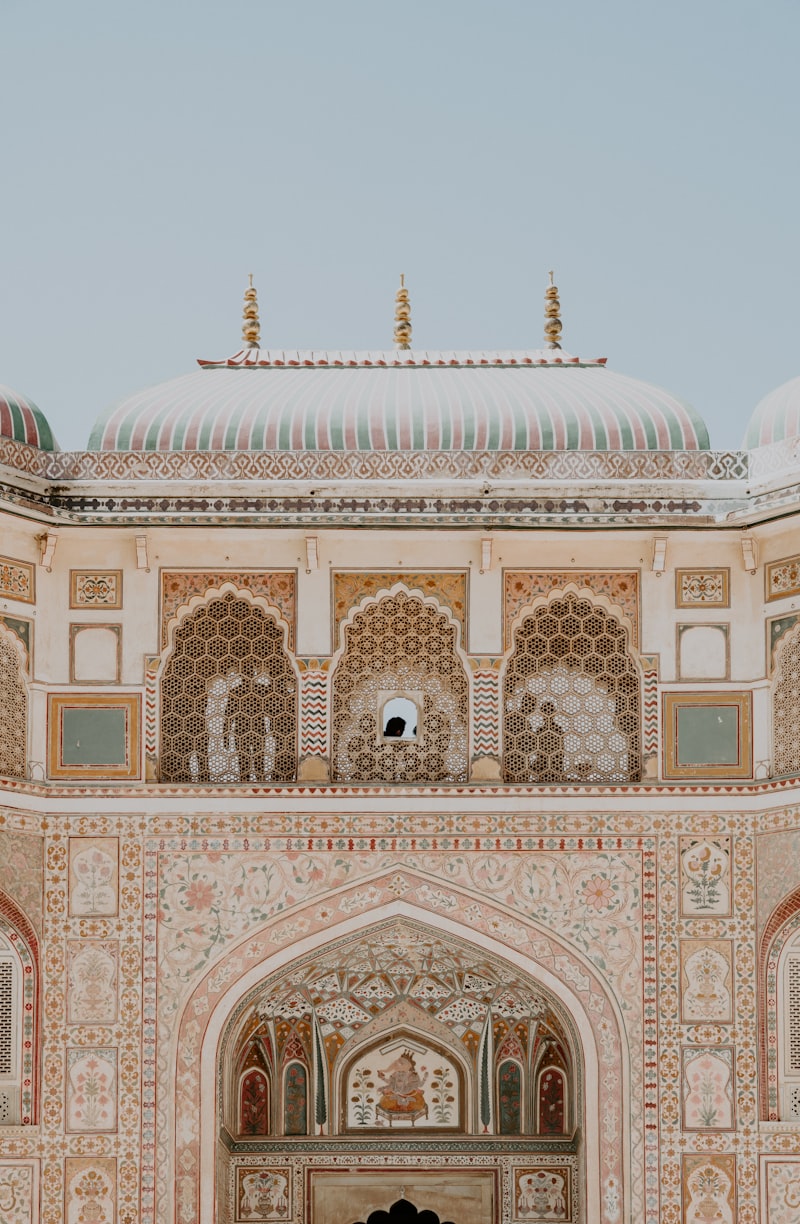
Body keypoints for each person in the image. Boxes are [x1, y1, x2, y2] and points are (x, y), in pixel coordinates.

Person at [223, 665, 270, 782]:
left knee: (254, 760)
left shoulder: (239, 691)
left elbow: (228, 715)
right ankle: (254, 784)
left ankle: (254, 783)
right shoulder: (259, 689)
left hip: (249, 730)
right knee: (250, 761)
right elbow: (229, 714)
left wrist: (226, 736)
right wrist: (225, 736)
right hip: (248, 730)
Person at [532, 700, 565, 782]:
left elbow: (561, 750)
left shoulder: (557, 729)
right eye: (545, 711)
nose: (547, 714)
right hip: (545, 764)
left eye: (549, 711)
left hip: (554, 763)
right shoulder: (541, 730)